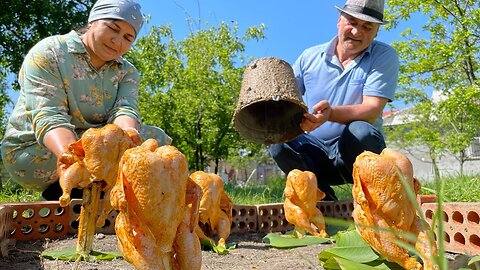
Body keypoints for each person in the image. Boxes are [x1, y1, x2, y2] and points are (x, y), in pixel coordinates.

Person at [0, 0, 171, 200]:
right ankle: (74, 189)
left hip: (96, 150)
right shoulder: (50, 52)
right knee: (102, 151)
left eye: (127, 37)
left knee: (153, 139)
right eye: (112, 28)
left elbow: (125, 110)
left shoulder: (127, 71)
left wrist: (129, 142)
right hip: (36, 152)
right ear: (92, 21)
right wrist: (76, 162)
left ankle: (98, 198)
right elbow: (49, 117)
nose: (117, 40)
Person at [268, 0, 399, 201]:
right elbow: (287, 97)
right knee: (278, 140)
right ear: (339, 20)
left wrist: (330, 114)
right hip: (314, 154)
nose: (356, 32)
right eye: (352, 22)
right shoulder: (309, 57)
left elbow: (372, 109)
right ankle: (322, 199)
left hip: (356, 154)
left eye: (367, 26)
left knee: (360, 130)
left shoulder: (384, 56)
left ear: (377, 32)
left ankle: (374, 201)